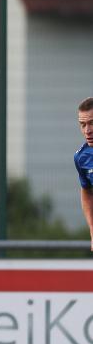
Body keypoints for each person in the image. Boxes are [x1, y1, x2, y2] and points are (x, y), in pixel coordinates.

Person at [75, 97, 93, 250]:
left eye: (92, 123)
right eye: (83, 125)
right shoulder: (81, 157)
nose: (88, 130)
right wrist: (92, 227)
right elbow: (86, 191)